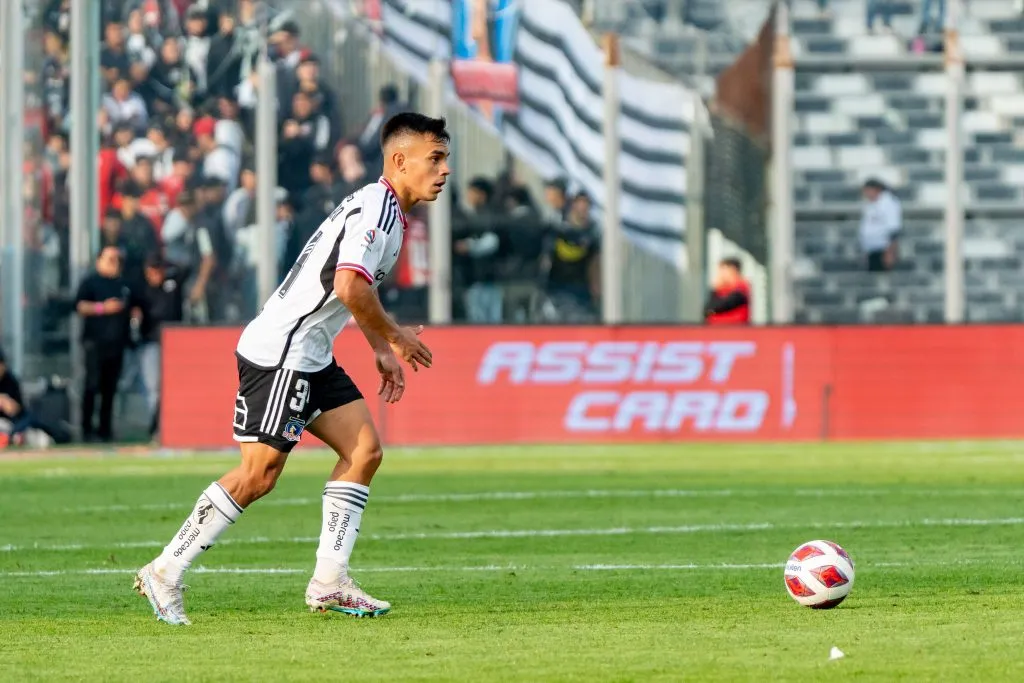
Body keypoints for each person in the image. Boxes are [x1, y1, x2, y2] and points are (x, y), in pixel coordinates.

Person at [134, 112, 449, 625]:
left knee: (364, 451)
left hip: (311, 352)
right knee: (258, 475)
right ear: (399, 161)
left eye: (445, 159)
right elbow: (349, 285)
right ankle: (165, 571)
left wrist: (378, 348)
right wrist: (395, 334)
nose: (444, 170)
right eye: (434, 158)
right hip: (283, 351)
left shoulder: (387, 211)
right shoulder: (378, 211)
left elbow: (354, 288)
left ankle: (329, 581)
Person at [75, 246, 140, 442]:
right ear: (99, 261)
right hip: (95, 342)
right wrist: (103, 308)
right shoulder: (90, 282)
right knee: (92, 385)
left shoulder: (124, 284)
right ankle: (87, 430)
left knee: (109, 388)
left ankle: (105, 430)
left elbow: (135, 306)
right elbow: (79, 306)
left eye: (117, 259)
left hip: (117, 343)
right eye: (110, 259)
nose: (114, 263)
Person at [859, 178, 901, 272]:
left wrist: (890, 252)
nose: (867, 194)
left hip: (883, 249)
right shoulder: (869, 204)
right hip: (871, 248)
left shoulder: (888, 203)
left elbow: (893, 228)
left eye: (869, 191)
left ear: (877, 190)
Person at [704, 257, 751, 325]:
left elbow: (724, 305)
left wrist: (712, 311)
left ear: (733, 270)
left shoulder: (742, 286)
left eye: (724, 269)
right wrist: (714, 290)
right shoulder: (721, 289)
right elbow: (707, 310)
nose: (720, 273)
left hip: (736, 330)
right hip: (716, 329)